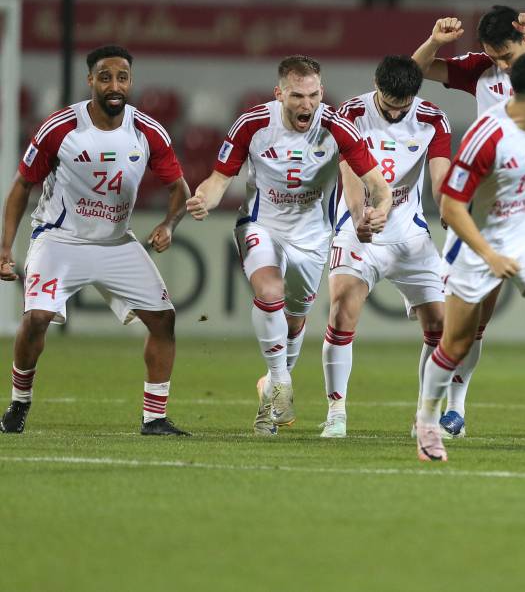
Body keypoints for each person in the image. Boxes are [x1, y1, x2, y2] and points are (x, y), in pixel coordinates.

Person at [412, 5, 525, 440]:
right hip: (488, 214)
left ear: (524, 41)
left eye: (505, 55)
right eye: (493, 56)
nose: (500, 65)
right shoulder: (479, 74)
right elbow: (413, 73)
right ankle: (449, 411)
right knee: (470, 325)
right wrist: (436, 41)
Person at [185, 55, 390, 436]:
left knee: (295, 321)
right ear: (279, 93)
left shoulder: (337, 127)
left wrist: (378, 211)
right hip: (261, 224)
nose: (306, 104)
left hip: (312, 238)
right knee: (269, 289)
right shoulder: (253, 124)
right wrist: (205, 199)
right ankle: (281, 382)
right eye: (297, 96)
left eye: (313, 95)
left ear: (322, 92)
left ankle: (271, 392)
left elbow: (377, 183)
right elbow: (218, 179)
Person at [0, 44, 190, 435]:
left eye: (122, 77)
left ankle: (154, 419)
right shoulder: (60, 128)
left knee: (164, 321)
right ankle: (18, 406)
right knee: (36, 319)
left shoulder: (147, 131)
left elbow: (180, 190)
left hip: (116, 243)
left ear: (131, 81)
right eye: (105, 77)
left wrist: (170, 225)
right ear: (90, 81)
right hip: (60, 239)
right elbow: (22, 185)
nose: (114, 85)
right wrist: (5, 247)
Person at [322, 55, 452, 438]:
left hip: (410, 233)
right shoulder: (350, 112)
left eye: (403, 106)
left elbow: (440, 175)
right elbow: (348, 172)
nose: (396, 114)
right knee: (343, 311)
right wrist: (361, 214)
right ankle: (336, 412)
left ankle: (425, 417)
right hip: (356, 226)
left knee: (443, 326)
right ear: (376, 87)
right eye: (389, 105)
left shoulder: (432, 118)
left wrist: (448, 210)